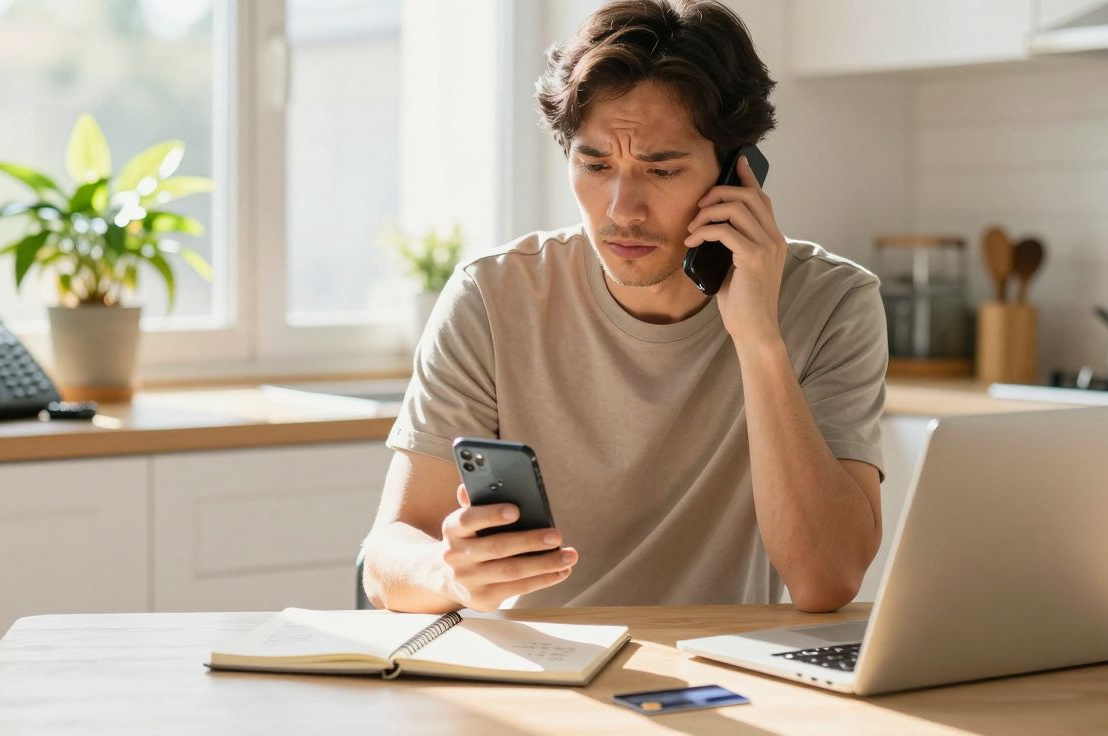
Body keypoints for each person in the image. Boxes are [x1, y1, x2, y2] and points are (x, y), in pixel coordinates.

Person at [361, 0, 886, 614]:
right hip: (537, 679)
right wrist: (448, 574)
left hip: (722, 678)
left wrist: (759, 339)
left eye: (661, 169)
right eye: (594, 164)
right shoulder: (493, 296)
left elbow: (826, 580)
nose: (621, 209)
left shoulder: (832, 302)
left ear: (738, 175)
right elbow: (385, 560)